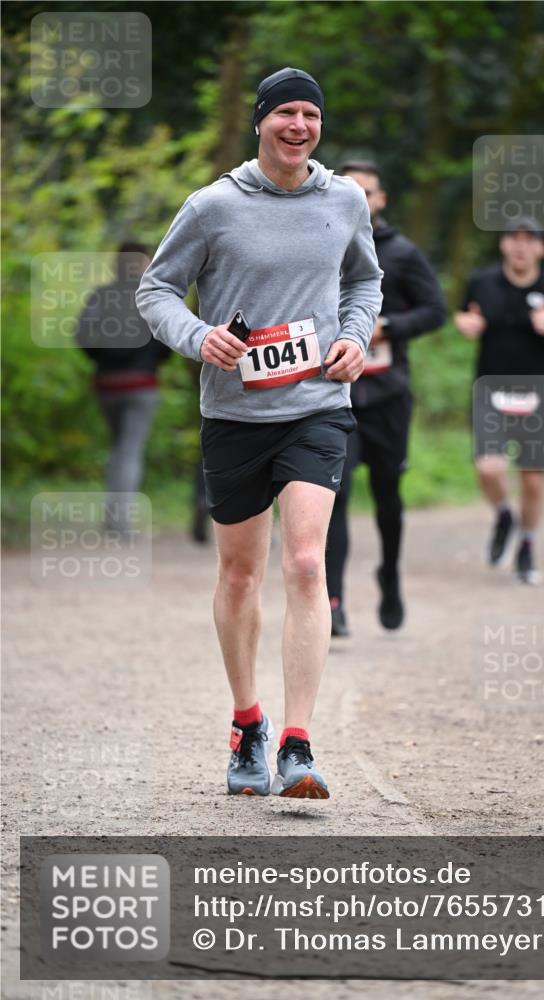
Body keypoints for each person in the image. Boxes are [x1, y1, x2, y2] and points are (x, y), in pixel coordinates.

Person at [136, 68, 382, 798]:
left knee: (307, 564)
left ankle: (299, 744)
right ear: (260, 122)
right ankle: (248, 723)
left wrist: (356, 335)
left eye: (310, 114)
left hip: (317, 404)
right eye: (285, 114)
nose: (299, 126)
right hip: (236, 414)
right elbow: (155, 289)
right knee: (240, 575)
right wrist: (197, 336)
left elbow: (362, 282)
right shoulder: (213, 205)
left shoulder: (343, 200)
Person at [325, 162, 446, 636]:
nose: (356, 197)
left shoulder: (402, 253)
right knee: (332, 497)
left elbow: (436, 310)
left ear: (380, 200)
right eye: (347, 188)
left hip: (390, 395)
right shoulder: (322, 240)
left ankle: (390, 576)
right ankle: (332, 600)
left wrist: (389, 326)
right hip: (337, 394)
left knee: (387, 497)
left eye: (366, 191)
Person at [454, 217, 544, 583]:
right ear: (503, 244)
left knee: (533, 481)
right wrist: (466, 325)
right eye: (513, 239)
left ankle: (527, 546)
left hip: (539, 394)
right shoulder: (482, 283)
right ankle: (504, 515)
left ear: (540, 248)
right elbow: (464, 315)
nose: (521, 246)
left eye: (529, 240)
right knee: (488, 468)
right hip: (491, 391)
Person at [76, 242, 171, 532]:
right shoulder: (151, 297)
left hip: (107, 384)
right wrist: (152, 359)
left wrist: (102, 358)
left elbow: (82, 336)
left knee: (119, 448)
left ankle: (112, 518)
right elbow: (167, 337)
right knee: (128, 451)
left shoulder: (101, 295)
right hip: (142, 384)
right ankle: (120, 523)